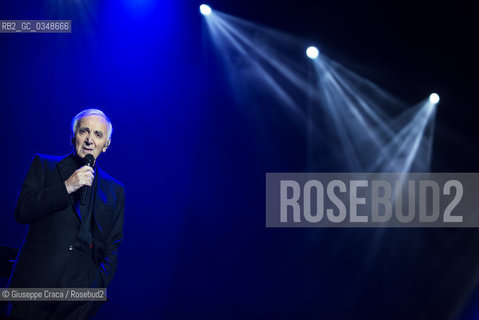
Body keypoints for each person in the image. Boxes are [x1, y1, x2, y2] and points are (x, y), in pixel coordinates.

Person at [6, 109, 125, 320]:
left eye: (98, 135)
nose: (90, 139)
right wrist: (67, 187)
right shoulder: (44, 164)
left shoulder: (115, 190)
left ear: (106, 145)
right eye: (84, 131)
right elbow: (22, 211)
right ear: (72, 136)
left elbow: (112, 247)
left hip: (77, 300)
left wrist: (94, 290)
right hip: (33, 286)